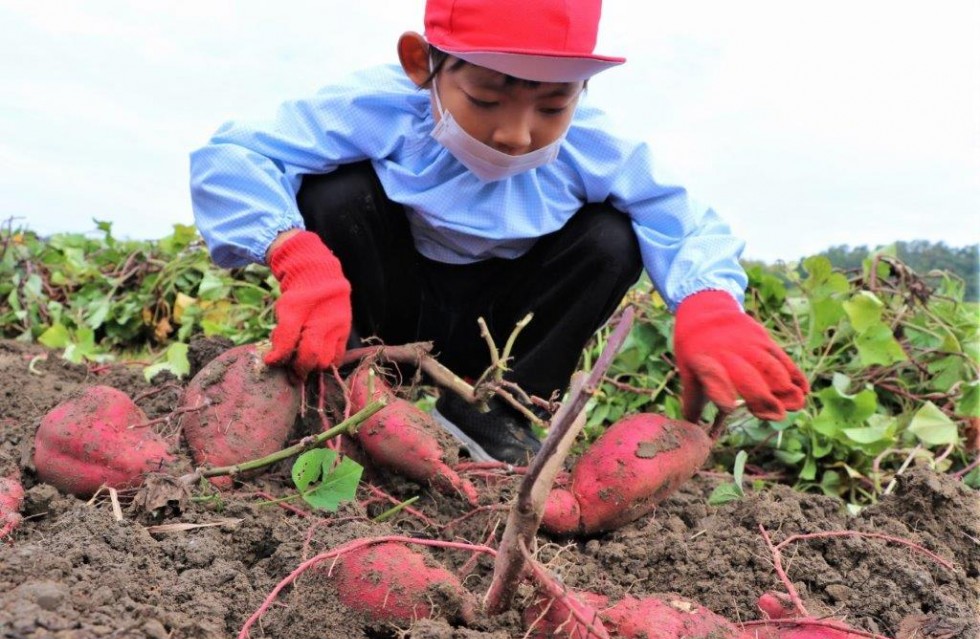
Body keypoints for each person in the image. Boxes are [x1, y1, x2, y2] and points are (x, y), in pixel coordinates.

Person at [190, 0, 809, 465]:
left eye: (551, 106)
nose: (516, 133)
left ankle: (498, 412)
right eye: (486, 98)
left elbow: (683, 218)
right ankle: (348, 387)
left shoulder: (595, 144)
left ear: (582, 91)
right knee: (335, 192)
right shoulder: (376, 106)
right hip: (389, 304)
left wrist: (707, 303)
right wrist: (296, 256)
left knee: (611, 238)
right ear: (420, 63)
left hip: (504, 331)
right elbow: (236, 154)